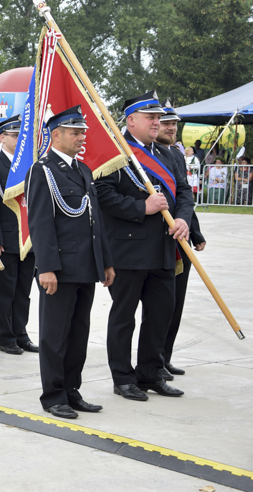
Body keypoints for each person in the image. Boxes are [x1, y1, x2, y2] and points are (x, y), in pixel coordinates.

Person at [95, 90, 193, 401]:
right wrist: (143, 207)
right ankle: (123, 377)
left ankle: (151, 372)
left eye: (158, 118)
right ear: (131, 120)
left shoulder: (168, 154)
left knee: (160, 313)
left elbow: (184, 192)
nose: (157, 122)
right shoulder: (115, 152)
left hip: (165, 248)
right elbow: (102, 194)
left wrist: (183, 219)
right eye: (150, 117)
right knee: (124, 316)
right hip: (128, 250)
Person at [26, 106, 115, 419]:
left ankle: (71, 390)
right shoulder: (43, 170)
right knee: (54, 335)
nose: (81, 138)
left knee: (78, 332)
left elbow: (95, 221)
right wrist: (46, 267)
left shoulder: (83, 170)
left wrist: (105, 262)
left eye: (82, 132)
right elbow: (40, 223)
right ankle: (53, 396)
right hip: (60, 269)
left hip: (85, 266)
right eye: (75, 132)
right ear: (56, 134)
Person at [0, 114, 38, 355]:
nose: (17, 139)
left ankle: (21, 333)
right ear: (2, 138)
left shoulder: (31, 165)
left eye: (20, 135)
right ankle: (6, 337)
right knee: (5, 291)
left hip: (28, 239)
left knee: (23, 290)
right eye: (13, 135)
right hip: (5, 239)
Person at [156, 101, 206, 379]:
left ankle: (165, 357)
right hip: (155, 242)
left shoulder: (175, 155)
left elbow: (183, 197)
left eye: (174, 123)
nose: (171, 127)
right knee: (158, 307)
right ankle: (150, 361)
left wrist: (195, 232)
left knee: (174, 304)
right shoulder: (142, 154)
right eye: (165, 123)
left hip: (180, 239)